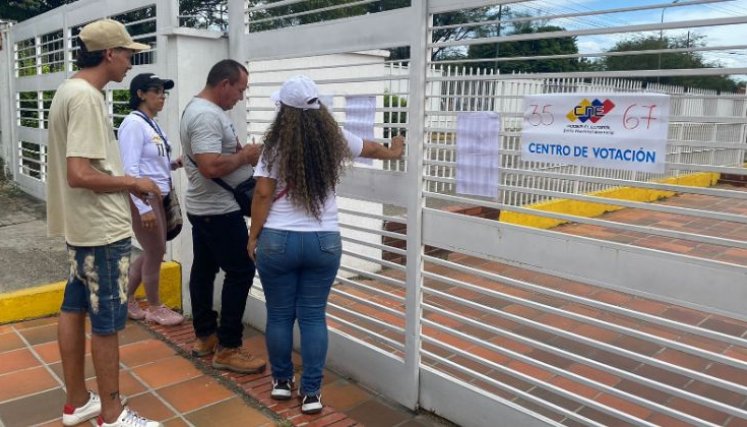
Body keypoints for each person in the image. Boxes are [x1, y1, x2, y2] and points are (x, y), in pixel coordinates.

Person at [248, 75, 405, 414]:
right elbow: (373, 148)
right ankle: (312, 394)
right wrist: (396, 150)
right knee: (313, 316)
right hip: (323, 242)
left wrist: (253, 236)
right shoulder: (335, 140)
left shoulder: (274, 147)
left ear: (283, 111)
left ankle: (280, 383)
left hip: (278, 240)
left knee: (278, 315)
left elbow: (262, 192)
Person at [46, 19, 163, 427]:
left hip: (82, 228)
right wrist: (134, 181)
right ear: (110, 54)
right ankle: (112, 414)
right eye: (128, 53)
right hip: (101, 230)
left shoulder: (68, 90)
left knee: (74, 307)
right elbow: (79, 173)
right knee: (107, 323)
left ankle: (78, 401)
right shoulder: (87, 98)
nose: (131, 62)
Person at [180, 59, 266, 373]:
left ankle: (206, 337)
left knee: (203, 270)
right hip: (218, 211)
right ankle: (229, 347)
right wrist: (244, 156)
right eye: (239, 90)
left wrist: (241, 154)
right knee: (241, 270)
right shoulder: (205, 115)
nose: (240, 97)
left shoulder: (201, 109)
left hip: (205, 208)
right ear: (224, 84)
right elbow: (210, 166)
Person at [118, 73, 184, 326]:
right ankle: (155, 308)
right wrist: (143, 207)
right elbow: (131, 171)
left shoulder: (151, 124)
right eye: (155, 91)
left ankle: (126, 298)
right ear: (140, 94)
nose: (162, 96)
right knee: (156, 251)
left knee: (153, 250)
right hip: (144, 196)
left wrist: (173, 164)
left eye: (163, 91)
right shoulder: (133, 124)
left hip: (159, 196)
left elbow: (153, 162)